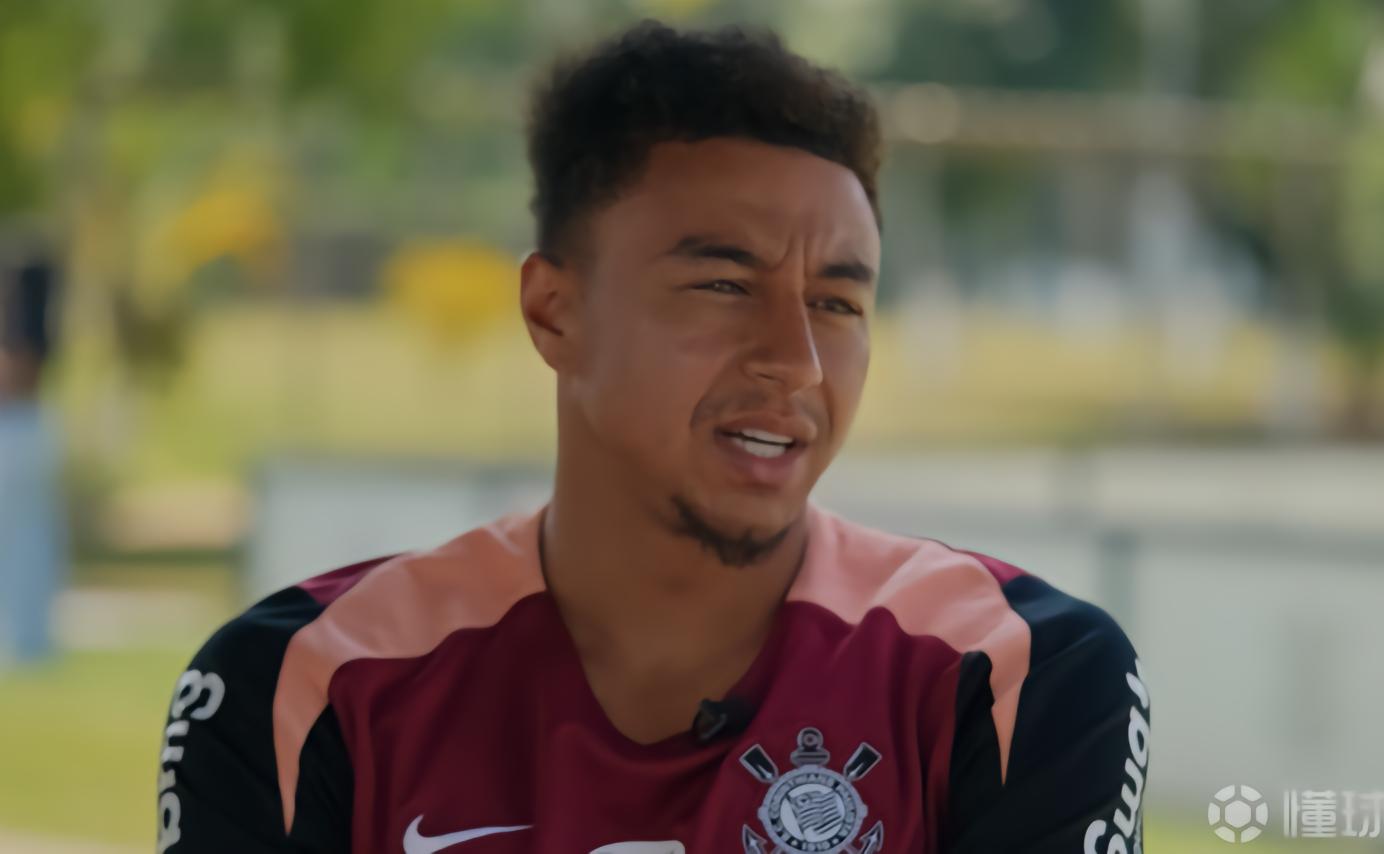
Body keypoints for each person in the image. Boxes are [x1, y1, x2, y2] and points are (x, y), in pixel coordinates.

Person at [157, 21, 1149, 854]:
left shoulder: (1019, 672)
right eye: (723, 284)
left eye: (836, 302)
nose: (797, 361)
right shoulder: (301, 685)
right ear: (554, 313)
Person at [0, 254, 65, 666]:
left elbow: (15, 380)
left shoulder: (23, 329)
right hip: (29, 434)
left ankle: (25, 639)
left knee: (24, 545)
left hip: (18, 435)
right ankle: (26, 637)